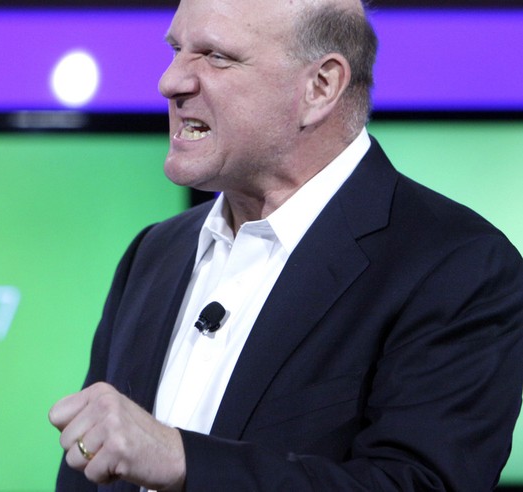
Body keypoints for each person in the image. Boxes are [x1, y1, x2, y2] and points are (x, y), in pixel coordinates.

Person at [48, 0, 523, 490]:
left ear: (321, 87)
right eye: (176, 50)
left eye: (215, 56)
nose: (171, 82)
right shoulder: (154, 253)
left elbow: (415, 483)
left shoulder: (458, 268)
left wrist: (183, 460)